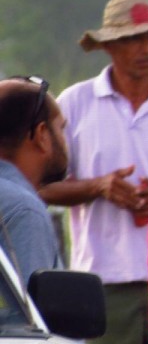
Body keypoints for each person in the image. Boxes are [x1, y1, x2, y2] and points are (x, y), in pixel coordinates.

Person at [39, 0, 148, 344]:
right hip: (101, 283)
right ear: (109, 46)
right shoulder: (74, 103)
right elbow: (40, 187)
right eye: (134, 39)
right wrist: (98, 187)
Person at [0, 76, 67, 285]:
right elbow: (30, 314)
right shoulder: (24, 210)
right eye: (61, 128)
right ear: (42, 135)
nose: (67, 140)